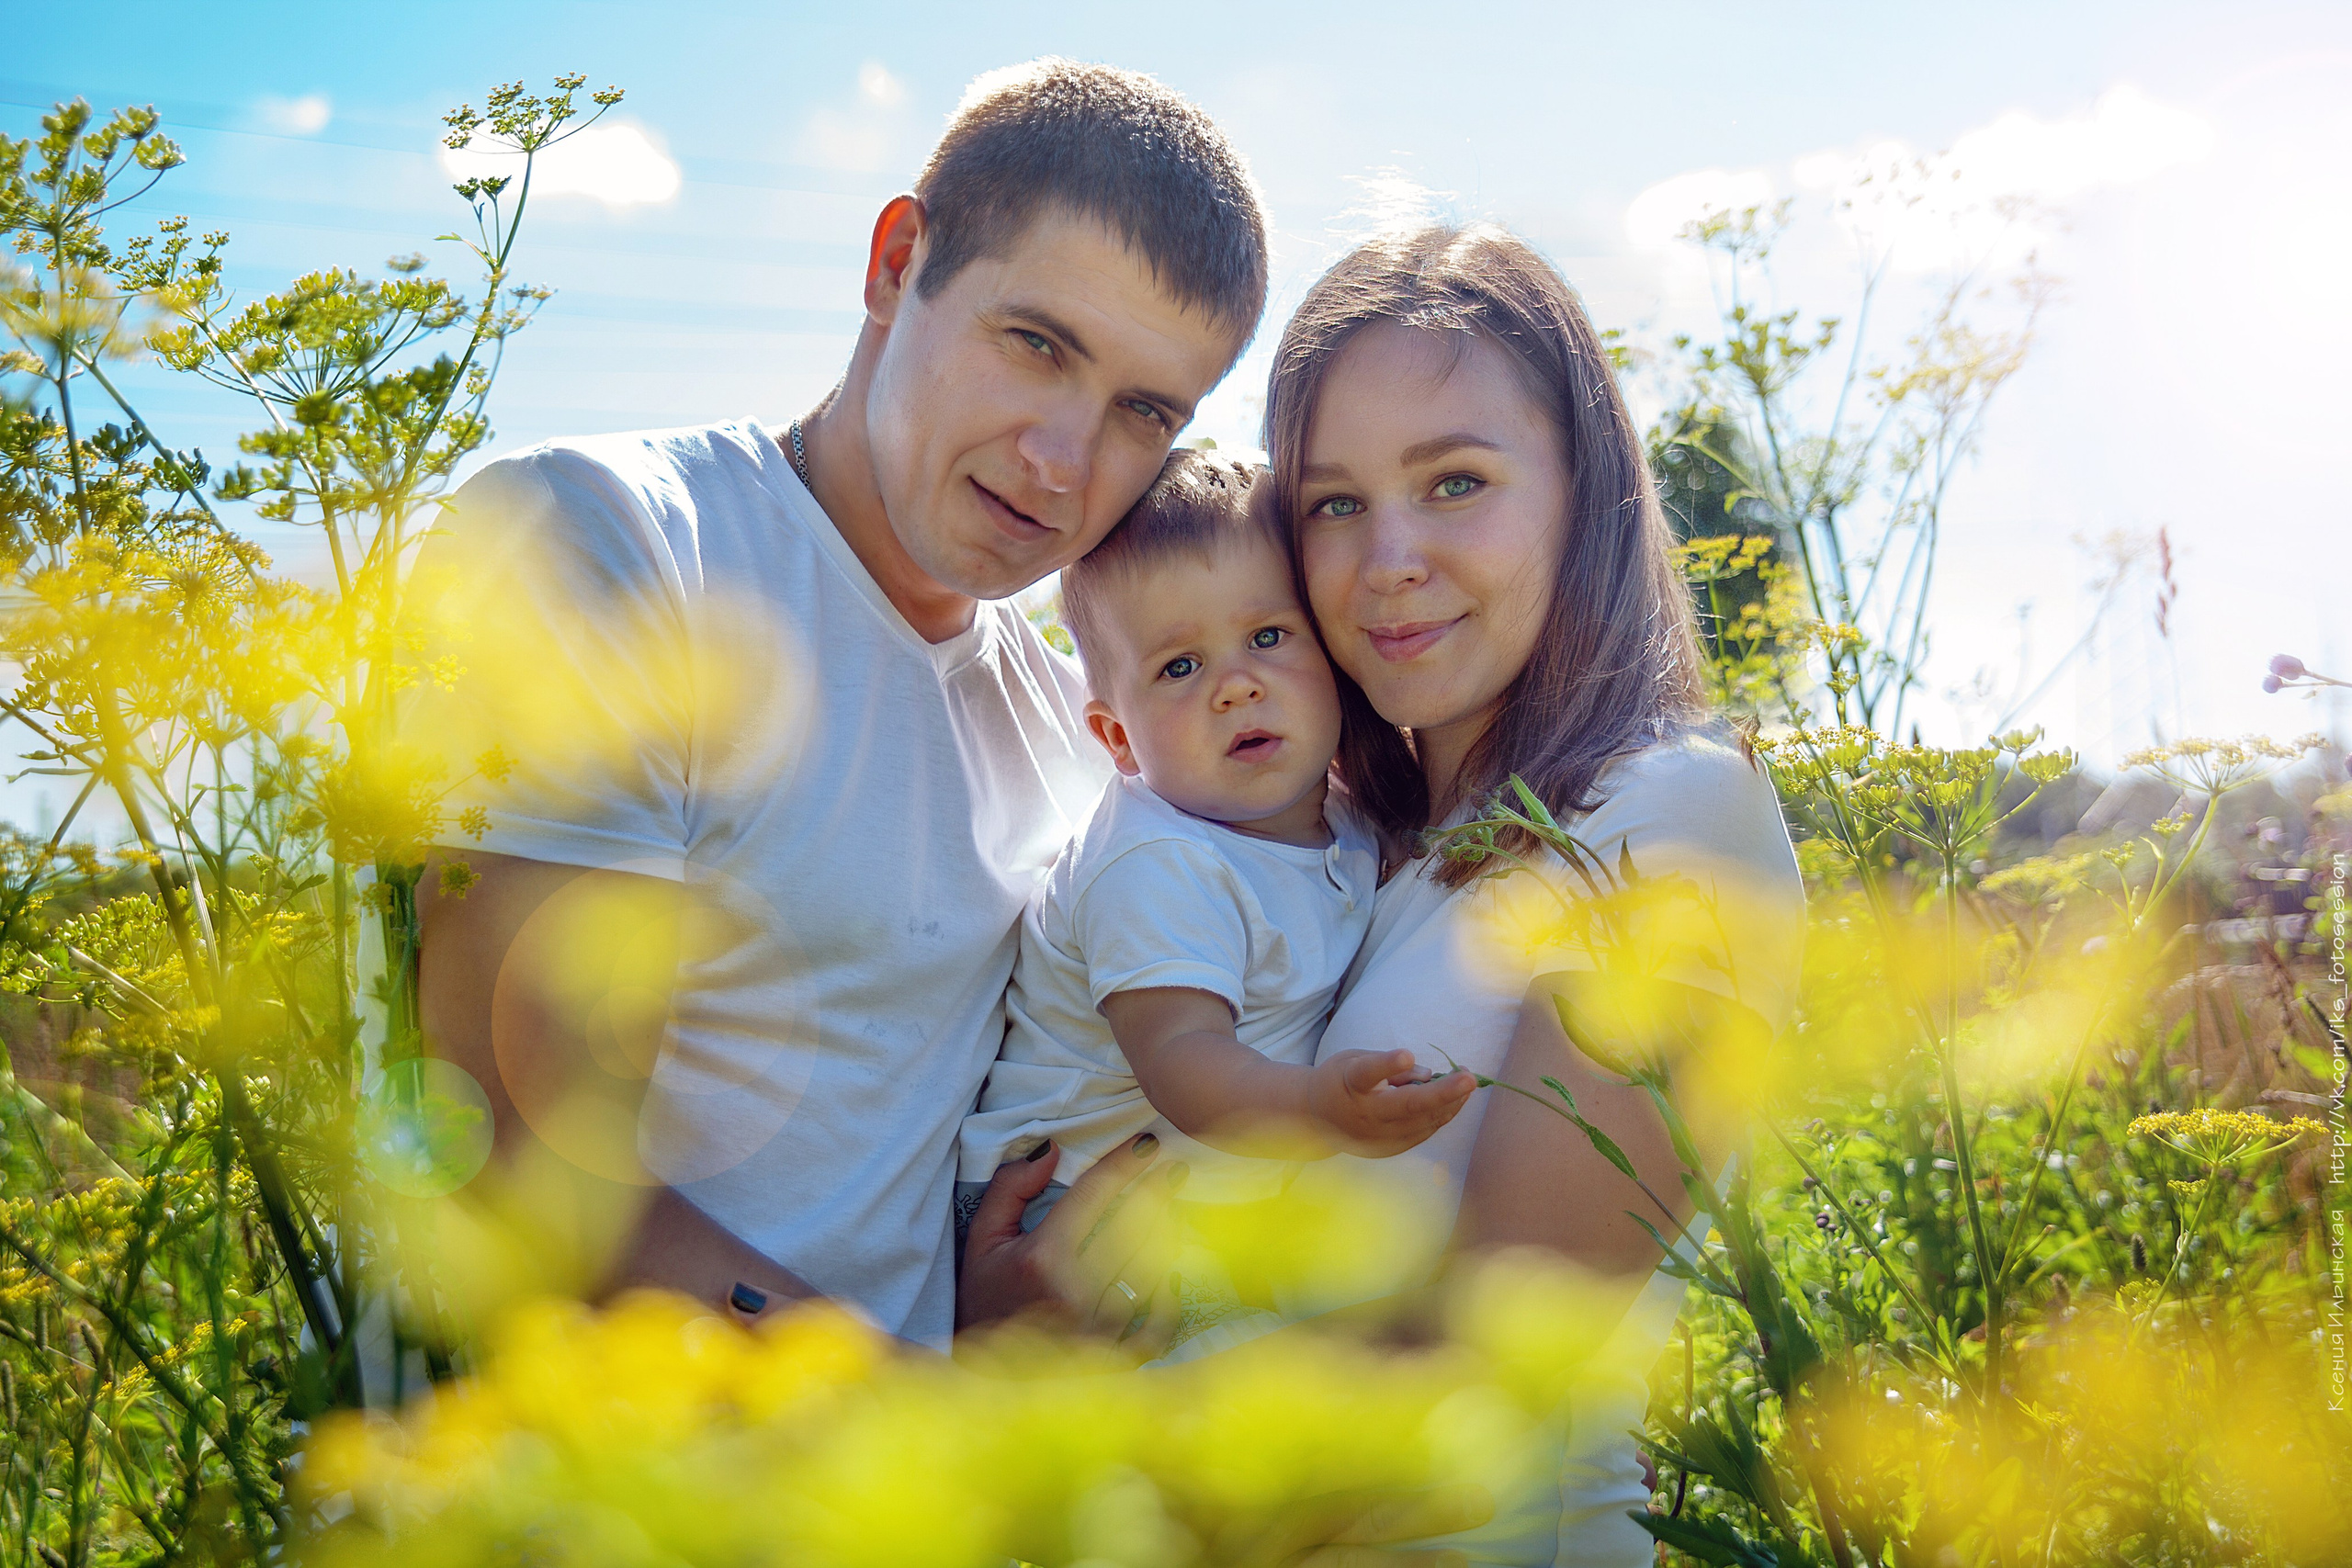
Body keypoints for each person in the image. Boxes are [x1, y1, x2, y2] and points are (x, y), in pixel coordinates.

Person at [413, 58, 1266, 1354]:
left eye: (1142, 413)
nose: (1063, 464)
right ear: (895, 263)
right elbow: (518, 1165)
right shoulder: (612, 541)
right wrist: (925, 1412)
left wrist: (1000, 1316)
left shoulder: (1078, 728)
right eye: (1036, 344)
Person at [1263, 223, 1806, 1565]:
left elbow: (1475, 1372)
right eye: (1333, 503)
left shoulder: (1672, 812)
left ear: (1586, 490)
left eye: (1454, 481)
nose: (1387, 557)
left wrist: (1016, 1462)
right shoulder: (1354, 851)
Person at [953, 452, 1475, 1303]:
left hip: (1202, 1189)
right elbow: (1182, 1058)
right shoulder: (1156, 860)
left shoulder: (1344, 818)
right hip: (1067, 1204)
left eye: (1267, 637)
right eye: (1179, 667)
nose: (1235, 686)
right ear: (1117, 738)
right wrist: (1320, 1109)